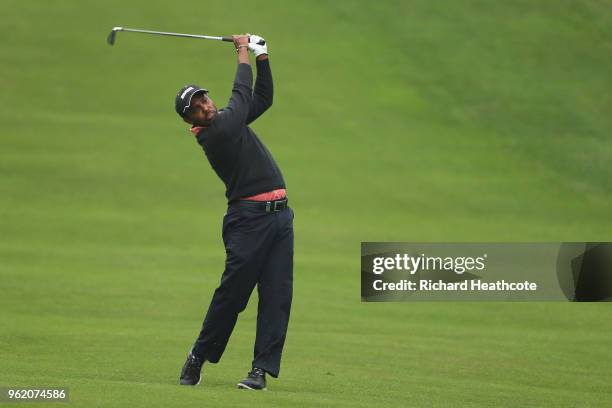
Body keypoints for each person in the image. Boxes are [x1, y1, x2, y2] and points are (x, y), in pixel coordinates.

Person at [174, 34, 294, 391]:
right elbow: (242, 97)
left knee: (277, 295)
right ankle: (199, 353)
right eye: (197, 108)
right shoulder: (215, 134)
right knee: (233, 295)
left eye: (204, 99)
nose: (206, 107)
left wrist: (263, 57)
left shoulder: (230, 120)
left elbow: (262, 99)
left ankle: (260, 371)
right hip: (248, 222)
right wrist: (241, 50)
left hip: (280, 219)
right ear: (190, 121)